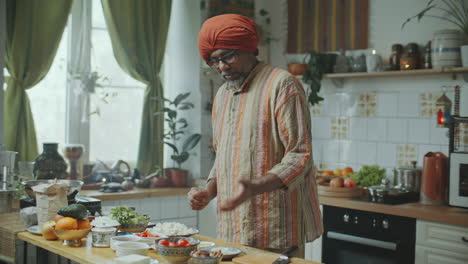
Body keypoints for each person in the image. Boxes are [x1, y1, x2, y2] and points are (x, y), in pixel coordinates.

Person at [188, 13, 323, 257]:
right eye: (213, 61)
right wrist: (208, 191)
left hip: (276, 229)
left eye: (228, 56)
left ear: (250, 48)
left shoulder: (282, 85)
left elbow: (300, 156)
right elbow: (224, 157)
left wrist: (256, 186)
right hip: (232, 230)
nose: (221, 66)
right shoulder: (223, 95)